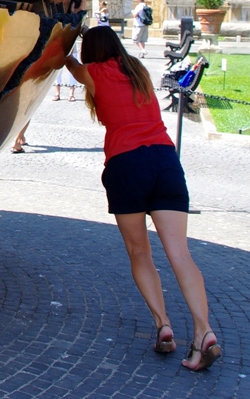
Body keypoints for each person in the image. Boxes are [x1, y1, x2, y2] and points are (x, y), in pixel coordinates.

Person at [65, 26, 221, 371]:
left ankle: (163, 324)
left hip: (126, 163)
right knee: (180, 253)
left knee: (139, 252)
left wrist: (66, 36)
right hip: (165, 158)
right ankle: (204, 332)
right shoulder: (137, 69)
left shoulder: (92, 72)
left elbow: (68, 63)